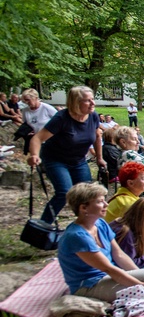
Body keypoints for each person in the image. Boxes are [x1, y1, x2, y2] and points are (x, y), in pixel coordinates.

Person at [27, 86, 106, 224]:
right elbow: (37, 138)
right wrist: (34, 155)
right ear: (76, 102)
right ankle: (43, 226)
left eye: (92, 99)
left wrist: (99, 158)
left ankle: (88, 225)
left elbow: (97, 137)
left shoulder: (93, 116)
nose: (93, 103)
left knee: (88, 193)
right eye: (87, 101)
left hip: (79, 160)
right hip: (56, 159)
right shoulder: (62, 118)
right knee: (64, 192)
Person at [19, 89, 57, 154]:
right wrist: (28, 132)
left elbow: (59, 122)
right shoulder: (25, 111)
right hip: (36, 140)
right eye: (25, 100)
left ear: (36, 98)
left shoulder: (47, 108)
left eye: (28, 100)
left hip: (50, 140)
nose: (26, 102)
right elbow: (25, 124)